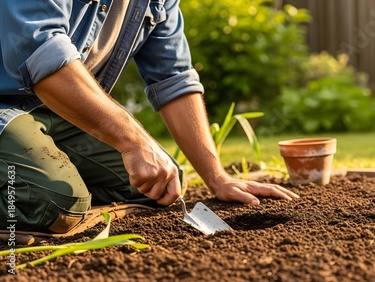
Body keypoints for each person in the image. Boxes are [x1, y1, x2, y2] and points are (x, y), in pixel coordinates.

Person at [0, 0, 298, 234]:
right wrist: (133, 141)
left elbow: (173, 77)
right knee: (56, 201)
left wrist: (216, 176)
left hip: (55, 112)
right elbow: (39, 50)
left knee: (160, 185)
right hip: (6, 106)